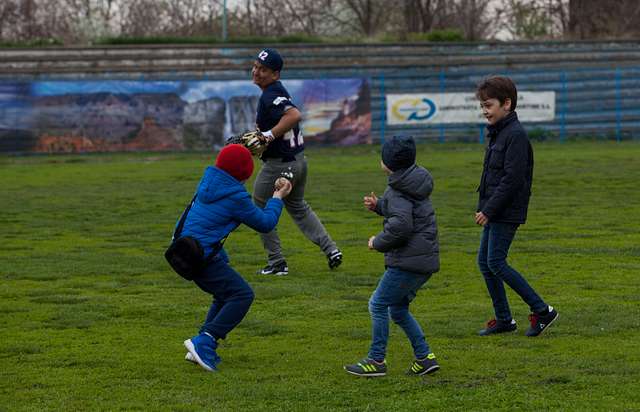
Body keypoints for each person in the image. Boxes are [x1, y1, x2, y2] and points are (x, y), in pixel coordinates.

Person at [179, 144, 292, 372]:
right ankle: (205, 342)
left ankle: (201, 343)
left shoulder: (209, 182)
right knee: (242, 295)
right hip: (200, 257)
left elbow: (197, 222)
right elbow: (265, 223)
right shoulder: (235, 196)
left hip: (185, 250)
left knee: (224, 294)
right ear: (244, 174)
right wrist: (277, 197)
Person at [344, 135, 440, 377]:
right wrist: (380, 206)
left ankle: (376, 360)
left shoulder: (397, 189)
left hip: (408, 262)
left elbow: (401, 226)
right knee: (397, 309)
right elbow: (406, 211)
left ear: (388, 163)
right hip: (423, 259)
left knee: (377, 304)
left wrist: (378, 242)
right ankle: (425, 358)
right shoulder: (413, 181)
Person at [475, 75, 558, 337]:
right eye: (482, 107)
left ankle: (543, 311)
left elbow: (512, 180)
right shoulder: (499, 133)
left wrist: (489, 210)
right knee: (485, 262)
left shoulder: (516, 136)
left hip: (506, 210)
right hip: (495, 209)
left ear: (506, 104)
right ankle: (504, 319)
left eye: (488, 106)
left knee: (496, 262)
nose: (484, 112)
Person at [249, 47, 342, 276]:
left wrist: (269, 135)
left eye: (264, 70)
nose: (257, 72)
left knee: (259, 207)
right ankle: (331, 249)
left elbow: (294, 115)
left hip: (280, 165)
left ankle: (277, 262)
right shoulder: (277, 90)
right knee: (298, 207)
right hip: (299, 161)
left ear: (275, 74)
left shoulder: (271, 94)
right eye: (256, 67)